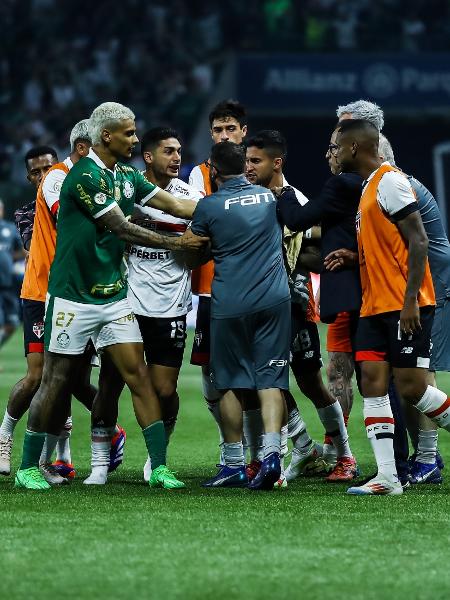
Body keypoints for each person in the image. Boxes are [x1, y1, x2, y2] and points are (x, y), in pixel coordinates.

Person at [14, 101, 208, 491]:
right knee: (57, 380)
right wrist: (177, 243)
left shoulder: (126, 176)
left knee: (137, 376)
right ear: (107, 136)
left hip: (114, 298)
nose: (136, 139)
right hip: (72, 297)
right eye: (129, 133)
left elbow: (175, 203)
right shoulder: (83, 177)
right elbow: (122, 228)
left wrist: (226, 209)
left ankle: (161, 467)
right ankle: (26, 466)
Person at [326, 118, 450, 496]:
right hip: (374, 307)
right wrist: (356, 256)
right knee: (373, 384)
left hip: (403, 305)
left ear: (353, 148)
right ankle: (387, 477)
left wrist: (411, 300)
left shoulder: (391, 181)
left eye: (336, 146)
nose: (330, 153)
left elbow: (419, 240)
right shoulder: (367, 188)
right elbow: (388, 243)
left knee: (412, 388)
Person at [246, 130, 357, 484]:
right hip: (257, 304)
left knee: (310, 383)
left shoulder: (294, 198)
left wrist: (299, 248)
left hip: (292, 305)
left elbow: (321, 242)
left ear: (276, 163)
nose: (248, 167)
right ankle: (301, 446)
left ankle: (344, 456)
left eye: (255, 161)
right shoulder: (246, 198)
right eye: (247, 160)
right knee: (266, 378)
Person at [185, 140, 291, 490]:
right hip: (275, 300)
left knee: (228, 381)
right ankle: (272, 454)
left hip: (230, 303)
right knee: (271, 379)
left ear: (213, 170)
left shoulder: (209, 206)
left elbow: (192, 254)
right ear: (244, 167)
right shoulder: (269, 198)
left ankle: (233, 464)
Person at [126, 127, 202, 481]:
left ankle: (160, 447)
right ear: (148, 156)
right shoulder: (129, 191)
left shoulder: (190, 196)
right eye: (168, 151)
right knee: (118, 382)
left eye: (179, 151)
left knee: (164, 390)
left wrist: (194, 251)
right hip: (128, 301)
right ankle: (102, 461)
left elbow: (202, 246)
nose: (176, 158)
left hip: (171, 304)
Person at [378, 133, 450, 484]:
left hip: (430, 288)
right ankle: (426, 455)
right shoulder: (388, 184)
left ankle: (426, 458)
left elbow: (417, 243)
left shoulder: (397, 185)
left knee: (422, 371)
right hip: (416, 288)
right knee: (406, 373)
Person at [188, 99, 247, 462]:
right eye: (218, 130)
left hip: (256, 287)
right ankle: (233, 452)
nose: (224, 135)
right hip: (211, 289)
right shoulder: (198, 174)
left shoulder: (258, 166)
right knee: (211, 377)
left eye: (230, 128)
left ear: (243, 131)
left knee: (262, 377)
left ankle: (274, 450)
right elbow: (199, 221)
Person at [0, 146, 58, 477]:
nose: (42, 176)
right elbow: (31, 244)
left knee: (62, 380)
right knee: (37, 375)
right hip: (37, 296)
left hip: (71, 298)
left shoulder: (76, 204)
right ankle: (5, 434)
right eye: (36, 172)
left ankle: (46, 459)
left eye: (48, 169)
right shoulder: (25, 213)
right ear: (29, 177)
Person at [0, 199, 23, 348]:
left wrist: (8, 258)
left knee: (13, 322)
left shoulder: (9, 228)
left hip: (8, 283)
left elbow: (22, 250)